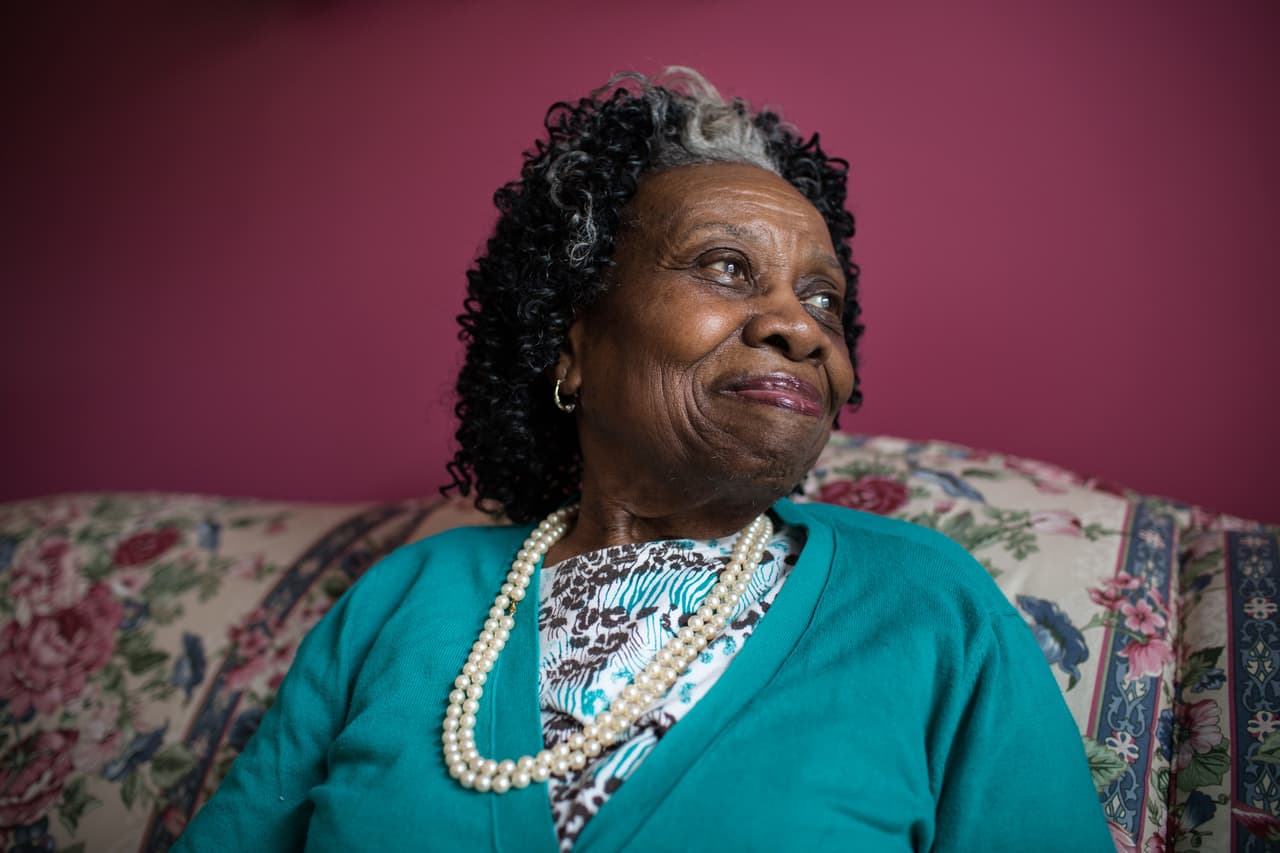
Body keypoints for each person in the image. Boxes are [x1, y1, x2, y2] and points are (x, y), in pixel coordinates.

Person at [175, 69, 1112, 851]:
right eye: (725, 266)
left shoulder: (926, 605)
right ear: (571, 342)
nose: (798, 325)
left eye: (822, 299)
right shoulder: (405, 599)